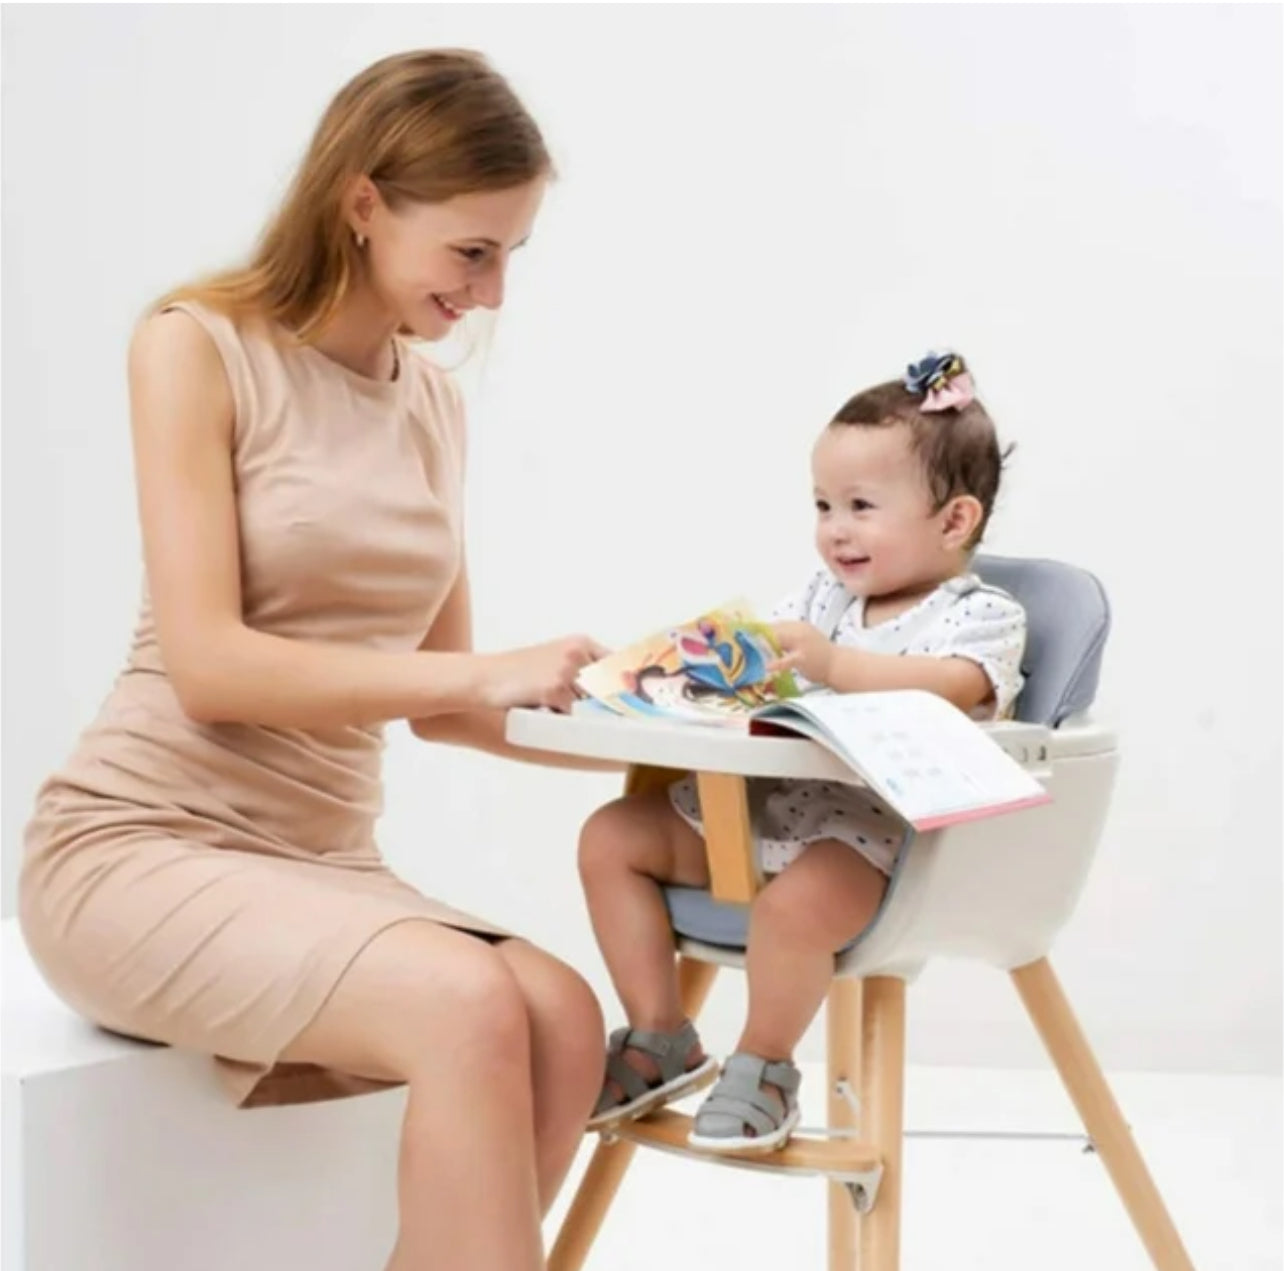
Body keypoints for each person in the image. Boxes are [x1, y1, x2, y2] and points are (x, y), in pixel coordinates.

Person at [19, 49, 619, 1271]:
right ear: (361, 204)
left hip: (319, 863)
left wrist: (673, 738)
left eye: (510, 255)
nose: (494, 292)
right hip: (140, 842)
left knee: (564, 1016)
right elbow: (212, 667)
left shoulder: (432, 407)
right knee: (468, 1005)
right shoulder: (199, 347)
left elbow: (455, 705)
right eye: (472, 250)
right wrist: (479, 672)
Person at [577, 351, 1028, 1153]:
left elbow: (948, 690)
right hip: (765, 811)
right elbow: (754, 669)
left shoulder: (981, 616)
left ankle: (765, 1064)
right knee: (611, 836)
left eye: (860, 505)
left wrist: (833, 665)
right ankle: (659, 1034)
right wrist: (672, 678)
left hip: (877, 842)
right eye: (823, 504)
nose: (834, 528)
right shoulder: (824, 599)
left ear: (955, 520)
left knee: (791, 909)